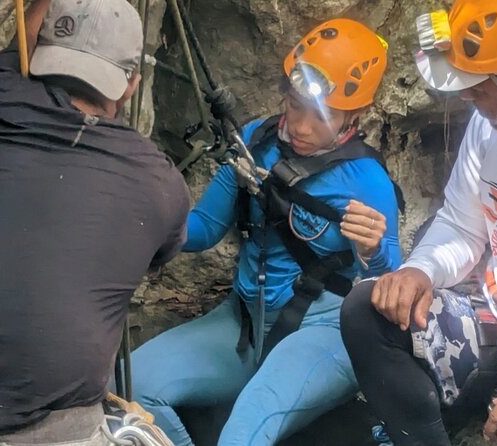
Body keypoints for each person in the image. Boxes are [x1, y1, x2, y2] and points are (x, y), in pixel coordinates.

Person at [0, 0, 189, 444]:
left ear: (40, 51)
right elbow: (160, 255)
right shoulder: (161, 183)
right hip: (50, 431)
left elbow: (15, 49)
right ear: (132, 83)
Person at [129, 18, 402, 446]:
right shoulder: (256, 140)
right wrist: (148, 221)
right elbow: (202, 229)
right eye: (295, 104)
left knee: (242, 435)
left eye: (322, 115)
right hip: (242, 325)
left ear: (357, 112)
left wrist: (374, 253)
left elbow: (388, 291)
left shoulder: (367, 181)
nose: (301, 126)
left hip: (325, 332)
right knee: (131, 384)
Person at [340, 1, 497, 445]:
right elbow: (462, 223)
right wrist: (421, 269)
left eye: (477, 87)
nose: (466, 96)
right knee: (366, 310)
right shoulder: (493, 126)